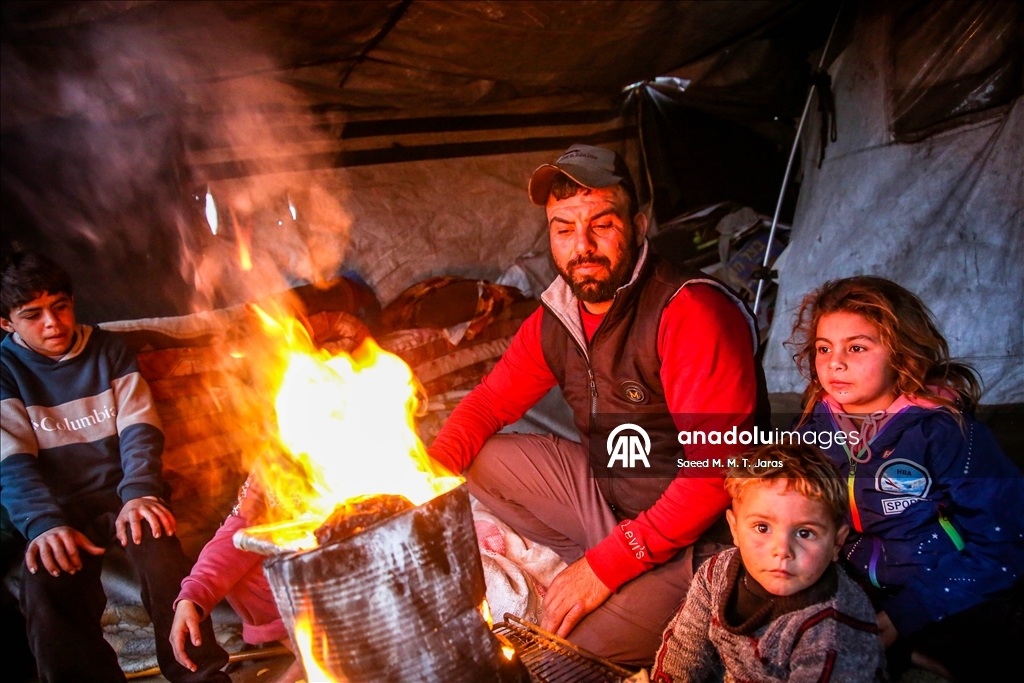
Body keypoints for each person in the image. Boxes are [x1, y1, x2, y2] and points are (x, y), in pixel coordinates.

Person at [427, 144, 767, 664]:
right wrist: (418, 484)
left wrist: (607, 567)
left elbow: (715, 470)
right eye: (563, 229)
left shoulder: (689, 310)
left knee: (561, 658)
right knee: (482, 457)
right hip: (617, 508)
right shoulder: (558, 315)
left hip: (705, 540)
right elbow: (488, 404)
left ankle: (644, 593)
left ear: (638, 225)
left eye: (601, 225)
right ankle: (607, 577)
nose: (581, 246)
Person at [0, 252, 229, 683]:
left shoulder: (109, 350)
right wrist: (43, 524)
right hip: (61, 509)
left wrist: (141, 492)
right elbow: (12, 463)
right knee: (44, 584)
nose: (52, 323)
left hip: (124, 494)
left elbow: (139, 429)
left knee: (163, 560)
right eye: (32, 315)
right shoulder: (5, 371)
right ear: (6, 323)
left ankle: (202, 676)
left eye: (60, 306)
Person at [790, 275, 1024, 681]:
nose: (834, 363)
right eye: (824, 348)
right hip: (856, 585)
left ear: (900, 354)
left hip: (945, 590)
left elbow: (1005, 542)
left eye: (856, 348)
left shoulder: (945, 433)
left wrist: (906, 614)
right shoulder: (813, 426)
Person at [652, 443, 886, 682]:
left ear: (837, 543)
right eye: (762, 528)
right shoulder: (715, 574)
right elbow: (683, 648)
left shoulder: (833, 633)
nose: (782, 550)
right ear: (734, 529)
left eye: (805, 533)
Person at [169, 459, 289, 673]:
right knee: (238, 571)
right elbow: (240, 527)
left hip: (346, 573)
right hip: (304, 567)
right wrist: (192, 596)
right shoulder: (276, 459)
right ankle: (309, 654)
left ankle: (333, 655)